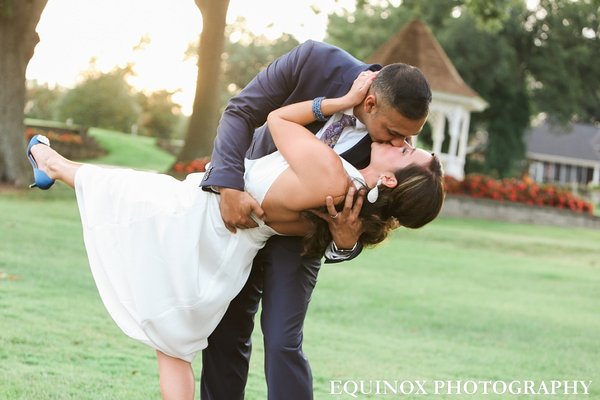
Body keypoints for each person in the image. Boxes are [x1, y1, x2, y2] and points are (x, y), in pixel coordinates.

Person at [26, 72, 444, 399]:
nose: (402, 141)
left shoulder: (331, 175)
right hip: (227, 261)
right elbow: (300, 231)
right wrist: (346, 240)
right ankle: (49, 162)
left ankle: (43, 156)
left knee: (117, 192)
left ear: (388, 179)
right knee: (174, 349)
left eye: (407, 149)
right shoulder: (345, 206)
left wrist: (342, 103)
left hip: (199, 220)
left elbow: (278, 119)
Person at [199, 40, 434, 399]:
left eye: (409, 138)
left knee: (282, 342)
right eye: (395, 133)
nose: (400, 142)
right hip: (246, 206)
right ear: (370, 103)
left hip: (302, 236)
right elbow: (241, 111)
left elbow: (382, 212)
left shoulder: (389, 151)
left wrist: (345, 243)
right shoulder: (313, 61)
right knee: (227, 331)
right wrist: (228, 186)